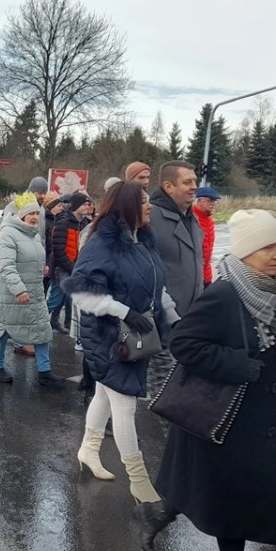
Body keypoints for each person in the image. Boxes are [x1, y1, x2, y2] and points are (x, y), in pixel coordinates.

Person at [143, 209, 276, 551]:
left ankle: (154, 516)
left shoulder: (275, 288)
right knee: (233, 497)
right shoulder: (226, 293)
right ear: (245, 251)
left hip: (260, 413)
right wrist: (237, 364)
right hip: (225, 416)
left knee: (204, 488)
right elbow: (186, 344)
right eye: (268, 246)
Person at [63, 181, 177, 505]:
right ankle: (139, 483)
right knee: (125, 404)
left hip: (137, 336)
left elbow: (158, 288)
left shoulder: (143, 241)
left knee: (104, 391)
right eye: (143, 201)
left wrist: (174, 317)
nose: (150, 205)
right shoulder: (102, 243)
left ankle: (88, 450)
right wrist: (124, 311)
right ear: (127, 205)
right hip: (108, 337)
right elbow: (83, 294)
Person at [0, 192, 66, 387]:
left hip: (34, 292)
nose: (34, 217)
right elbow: (6, 266)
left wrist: (43, 267)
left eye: (36, 213)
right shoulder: (8, 233)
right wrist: (19, 290)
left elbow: (32, 256)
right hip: (13, 295)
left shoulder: (32, 233)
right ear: (21, 214)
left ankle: (44, 371)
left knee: (41, 329)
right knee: (3, 330)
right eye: (30, 213)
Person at [146, 160, 203, 396]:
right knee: (166, 392)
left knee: (180, 386)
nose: (193, 187)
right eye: (187, 182)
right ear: (169, 187)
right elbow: (146, 270)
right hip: (163, 320)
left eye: (195, 182)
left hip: (189, 319)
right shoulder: (152, 218)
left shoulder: (192, 218)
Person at [49, 192, 93, 334]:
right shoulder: (63, 222)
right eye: (84, 204)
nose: (88, 207)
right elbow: (58, 251)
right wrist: (73, 267)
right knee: (55, 300)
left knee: (67, 300)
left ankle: (54, 322)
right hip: (62, 269)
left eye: (88, 204)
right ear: (75, 206)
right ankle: (32, 324)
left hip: (75, 268)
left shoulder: (84, 223)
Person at [192, 186, 220, 286]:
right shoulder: (190, 219)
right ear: (199, 201)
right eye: (209, 200)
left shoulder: (209, 221)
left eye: (214, 201)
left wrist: (207, 277)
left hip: (206, 274)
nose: (212, 203)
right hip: (193, 275)